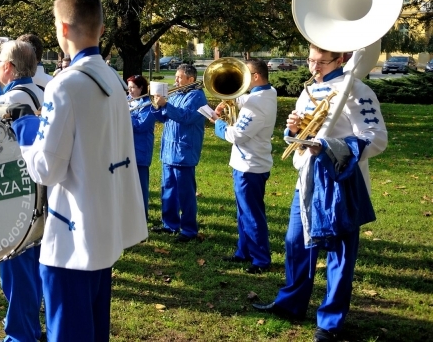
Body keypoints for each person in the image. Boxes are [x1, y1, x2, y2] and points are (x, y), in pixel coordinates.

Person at [19, 0, 147, 341]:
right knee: (93, 329)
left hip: (72, 236)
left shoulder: (65, 84)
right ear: (102, 29)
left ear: (62, 29)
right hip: (103, 228)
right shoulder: (111, 77)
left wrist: (26, 143)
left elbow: (47, 169)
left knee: (69, 332)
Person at [253, 46, 388, 342]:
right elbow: (301, 136)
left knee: (339, 253)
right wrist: (294, 130)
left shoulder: (356, 89)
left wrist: (331, 147)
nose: (313, 67)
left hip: (341, 182)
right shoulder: (309, 90)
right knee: (296, 242)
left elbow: (376, 139)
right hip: (307, 179)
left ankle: (330, 322)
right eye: (310, 60)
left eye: (320, 61)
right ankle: (292, 303)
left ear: (341, 59)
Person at [0, 40, 46, 342]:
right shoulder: (41, 91)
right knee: (31, 271)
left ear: (7, 67)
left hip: (16, 203)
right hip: (38, 204)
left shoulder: (11, 102)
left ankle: (22, 336)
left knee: (16, 273)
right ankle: (29, 329)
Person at [211, 59, 277, 274]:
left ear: (256, 77)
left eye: (246, 75)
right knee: (243, 213)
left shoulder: (257, 103)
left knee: (251, 214)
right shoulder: (267, 93)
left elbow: (237, 135)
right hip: (248, 163)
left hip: (250, 165)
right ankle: (244, 252)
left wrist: (218, 123)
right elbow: (246, 101)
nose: (243, 79)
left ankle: (260, 259)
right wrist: (229, 102)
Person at [150, 64, 207, 241]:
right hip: (168, 150)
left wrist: (166, 104)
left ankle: (189, 230)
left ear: (190, 79)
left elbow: (186, 117)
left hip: (184, 150)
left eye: (179, 77)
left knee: (185, 193)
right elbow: (163, 117)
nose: (175, 80)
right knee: (168, 190)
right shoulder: (175, 94)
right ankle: (170, 224)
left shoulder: (197, 96)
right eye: (175, 76)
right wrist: (157, 106)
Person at [127, 75, 157, 218]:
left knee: (140, 186)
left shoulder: (149, 105)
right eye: (129, 87)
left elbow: (141, 126)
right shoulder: (127, 101)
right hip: (126, 149)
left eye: (133, 87)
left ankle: (142, 216)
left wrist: (125, 117)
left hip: (140, 150)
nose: (130, 91)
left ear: (141, 88)